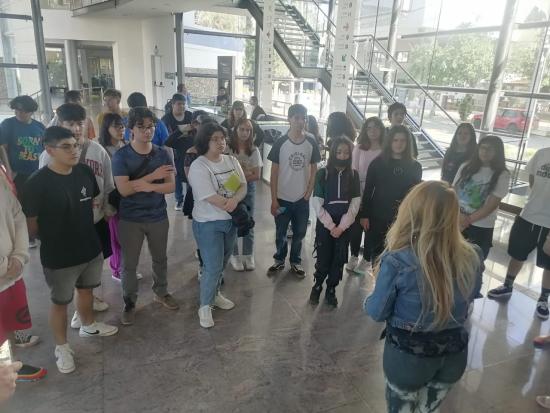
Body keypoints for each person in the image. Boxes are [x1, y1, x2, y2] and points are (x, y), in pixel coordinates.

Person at [365, 180, 483, 413]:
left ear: (411, 211)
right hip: (454, 356)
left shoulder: (398, 260)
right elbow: (470, 299)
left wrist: (370, 293)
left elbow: (376, 312)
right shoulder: (473, 255)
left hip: (408, 359)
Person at [22, 126, 119, 374]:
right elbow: (31, 226)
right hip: (59, 254)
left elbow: (92, 204)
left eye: (75, 145)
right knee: (60, 302)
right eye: (66, 147)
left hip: (89, 245)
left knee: (86, 291)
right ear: (49, 149)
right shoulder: (37, 183)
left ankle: (88, 324)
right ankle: (62, 347)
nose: (74, 150)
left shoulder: (84, 171)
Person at [39, 103, 116, 326]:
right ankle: (78, 310)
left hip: (96, 219)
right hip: (68, 224)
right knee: (73, 267)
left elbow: (108, 183)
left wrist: (109, 208)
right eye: (70, 123)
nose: (76, 128)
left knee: (95, 262)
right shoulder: (49, 155)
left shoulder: (97, 150)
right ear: (60, 124)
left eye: (80, 123)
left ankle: (92, 297)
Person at [112, 107, 179, 326]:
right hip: (130, 218)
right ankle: (129, 302)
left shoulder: (163, 153)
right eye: (141, 127)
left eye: (150, 127)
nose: (147, 131)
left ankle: (161, 292)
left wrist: (143, 185)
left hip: (157, 215)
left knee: (160, 258)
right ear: (131, 129)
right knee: (129, 264)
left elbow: (170, 187)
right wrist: (153, 177)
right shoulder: (122, 156)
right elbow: (124, 191)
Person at [188, 123, 247, 328]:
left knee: (222, 263)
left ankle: (215, 295)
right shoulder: (199, 166)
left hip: (230, 221)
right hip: (208, 223)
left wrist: (235, 200)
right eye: (215, 138)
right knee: (212, 266)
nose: (221, 142)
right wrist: (230, 203)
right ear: (205, 141)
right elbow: (209, 196)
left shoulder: (231, 160)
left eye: (222, 138)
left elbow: (242, 185)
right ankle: (204, 306)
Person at [487, 146, 550, 320]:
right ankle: (507, 285)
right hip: (528, 215)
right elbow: (531, 179)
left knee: (548, 264)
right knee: (517, 255)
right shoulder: (541, 153)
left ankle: (544, 298)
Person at [0, 181, 47, 381]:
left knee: (11, 318)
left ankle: (11, 364)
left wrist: (19, 256)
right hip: (6, 269)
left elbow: (17, 214)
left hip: (11, 273)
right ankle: (5, 374)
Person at [267, 104, 321, 278]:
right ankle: (279, 259)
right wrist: (274, 199)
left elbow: (314, 171)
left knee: (299, 233)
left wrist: (307, 194)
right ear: (289, 119)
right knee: (281, 232)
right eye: (296, 118)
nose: (300, 121)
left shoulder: (311, 142)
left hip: (301, 200)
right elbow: (273, 173)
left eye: (303, 118)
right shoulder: (281, 142)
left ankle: (295, 261)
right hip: (283, 198)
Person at [359, 125, 422, 264]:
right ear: (389, 142)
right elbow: (368, 190)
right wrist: (364, 215)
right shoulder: (377, 163)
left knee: (396, 254)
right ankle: (379, 284)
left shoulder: (415, 166)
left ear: (408, 143)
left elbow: (415, 197)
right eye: (395, 140)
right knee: (376, 254)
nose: (399, 144)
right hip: (377, 216)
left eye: (403, 141)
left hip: (402, 218)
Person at [310, 136, 360, 307]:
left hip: (344, 226)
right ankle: (317, 285)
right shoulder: (322, 173)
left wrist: (342, 226)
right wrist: (331, 226)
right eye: (339, 152)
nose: (342, 155)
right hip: (326, 225)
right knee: (323, 258)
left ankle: (331, 288)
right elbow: (317, 203)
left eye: (346, 152)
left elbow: (355, 204)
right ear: (333, 153)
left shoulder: (353, 175)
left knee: (338, 259)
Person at [453, 135, 510, 261]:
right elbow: (454, 192)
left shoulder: (502, 174)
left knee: (474, 263)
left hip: (481, 225)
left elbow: (491, 205)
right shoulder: (466, 166)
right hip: (457, 219)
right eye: (482, 148)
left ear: (497, 152)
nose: (485, 152)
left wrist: (466, 220)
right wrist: (458, 216)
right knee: (452, 259)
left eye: (490, 149)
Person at [347, 116, 384, 274]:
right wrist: (358, 198)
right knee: (355, 228)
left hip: (377, 195)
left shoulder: (385, 150)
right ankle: (354, 255)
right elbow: (353, 172)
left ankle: (366, 259)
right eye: (369, 128)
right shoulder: (359, 148)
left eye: (376, 127)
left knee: (371, 229)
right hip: (358, 193)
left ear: (381, 129)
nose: (372, 131)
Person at [228, 118, 263, 271]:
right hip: (230, 189)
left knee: (249, 221)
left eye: (248, 130)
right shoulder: (228, 148)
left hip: (248, 190)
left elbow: (257, 175)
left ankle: (248, 255)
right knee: (233, 222)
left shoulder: (254, 150)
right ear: (236, 130)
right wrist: (244, 175)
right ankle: (234, 255)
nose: (245, 133)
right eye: (242, 129)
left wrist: (239, 179)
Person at [98, 113, 126, 281]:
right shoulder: (102, 149)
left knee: (127, 235)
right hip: (112, 197)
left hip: (127, 196)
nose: (120, 129)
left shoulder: (127, 145)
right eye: (116, 126)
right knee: (116, 236)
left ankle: (126, 266)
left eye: (122, 126)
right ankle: (117, 269)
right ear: (107, 129)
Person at [0, 96, 45, 197]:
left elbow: (45, 149)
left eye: (23, 111)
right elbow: (3, 149)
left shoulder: (39, 126)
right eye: (16, 109)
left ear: (31, 111)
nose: (18, 113)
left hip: (37, 171)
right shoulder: (7, 124)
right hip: (18, 173)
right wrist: (9, 171)